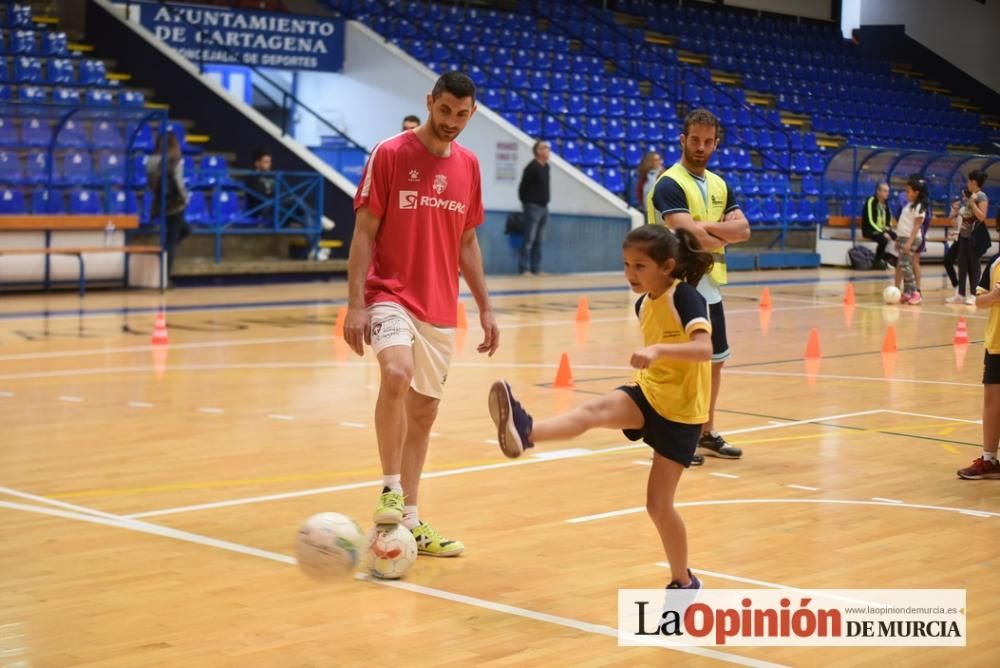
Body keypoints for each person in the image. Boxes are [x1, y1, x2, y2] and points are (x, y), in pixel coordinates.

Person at [488, 224, 714, 588]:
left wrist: (658, 351)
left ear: (667, 266)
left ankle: (684, 581)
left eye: (640, 266)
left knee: (658, 505)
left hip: (682, 413)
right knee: (594, 411)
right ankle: (526, 431)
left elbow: (704, 349)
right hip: (649, 394)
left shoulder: (684, 297)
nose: (630, 274)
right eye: (626, 265)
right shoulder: (644, 304)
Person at [344, 72, 500, 557]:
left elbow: (467, 242)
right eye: (444, 110)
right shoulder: (389, 153)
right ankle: (390, 490)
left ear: (471, 113)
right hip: (389, 292)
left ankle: (409, 520)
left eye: (462, 114)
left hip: (439, 306)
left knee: (425, 413)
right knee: (396, 372)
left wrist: (487, 306)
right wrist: (354, 304)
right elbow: (365, 230)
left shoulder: (469, 166)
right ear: (430, 102)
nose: (452, 122)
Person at [646, 108, 750, 465]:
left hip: (711, 288)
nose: (701, 147)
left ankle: (705, 432)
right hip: (675, 288)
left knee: (714, 364)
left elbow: (745, 230)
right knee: (680, 367)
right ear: (682, 140)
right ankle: (674, 440)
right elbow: (687, 237)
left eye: (708, 141)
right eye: (695, 140)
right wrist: (718, 230)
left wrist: (702, 229)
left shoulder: (720, 184)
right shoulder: (669, 183)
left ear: (716, 143)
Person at [957, 252, 1000, 479]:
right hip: (996, 344)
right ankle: (989, 459)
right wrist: (994, 295)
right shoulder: (996, 262)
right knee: (992, 403)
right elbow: (980, 301)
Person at [147, 131, 190, 283]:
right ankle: (165, 277)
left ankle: (166, 251)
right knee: (171, 240)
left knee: (185, 229)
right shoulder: (176, 161)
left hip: (160, 203)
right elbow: (179, 184)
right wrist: (186, 197)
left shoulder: (151, 161)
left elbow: (151, 184)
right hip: (175, 205)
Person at [946, 171, 990, 305]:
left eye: (969, 181)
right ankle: (960, 294)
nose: (967, 184)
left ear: (974, 183)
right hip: (964, 235)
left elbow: (982, 217)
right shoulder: (969, 197)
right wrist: (955, 213)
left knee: (974, 265)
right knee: (962, 264)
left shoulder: (981, 196)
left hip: (974, 237)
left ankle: (973, 294)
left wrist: (972, 203)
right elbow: (965, 216)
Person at [517, 139, 551, 275]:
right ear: (538, 151)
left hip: (544, 207)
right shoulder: (531, 167)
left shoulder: (546, 167)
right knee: (528, 240)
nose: (548, 150)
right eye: (545, 148)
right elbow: (522, 188)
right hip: (532, 207)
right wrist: (527, 204)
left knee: (539, 240)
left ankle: (536, 268)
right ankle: (524, 269)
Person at [895, 175, 928, 305]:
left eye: (908, 191)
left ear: (916, 192)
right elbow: (903, 224)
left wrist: (909, 242)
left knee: (905, 264)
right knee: (904, 263)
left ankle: (915, 292)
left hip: (911, 239)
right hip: (903, 238)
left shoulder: (919, 207)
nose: (906, 193)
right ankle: (908, 293)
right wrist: (899, 240)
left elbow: (916, 226)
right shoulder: (909, 205)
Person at [861, 182, 893, 269]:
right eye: (885, 191)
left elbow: (889, 217)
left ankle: (890, 260)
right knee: (883, 240)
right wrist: (882, 232)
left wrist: (888, 227)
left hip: (881, 230)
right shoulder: (871, 201)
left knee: (896, 237)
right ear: (878, 192)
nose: (887, 193)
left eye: (888, 191)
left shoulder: (885, 204)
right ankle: (877, 261)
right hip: (869, 230)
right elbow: (870, 220)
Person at [244, 150, 276, 221]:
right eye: (266, 162)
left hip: (274, 206)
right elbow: (259, 195)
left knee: (297, 203)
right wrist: (269, 192)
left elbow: (280, 192)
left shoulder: (272, 177)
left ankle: (306, 230)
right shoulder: (251, 177)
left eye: (269, 162)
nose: (269, 164)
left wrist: (268, 192)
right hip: (259, 209)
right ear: (257, 163)